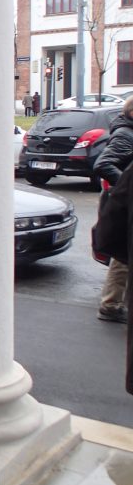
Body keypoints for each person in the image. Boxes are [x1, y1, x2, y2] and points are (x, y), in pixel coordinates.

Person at [94, 96, 133, 323]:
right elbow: (103, 164)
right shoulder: (126, 135)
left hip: (121, 203)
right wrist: (126, 188)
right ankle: (110, 305)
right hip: (122, 206)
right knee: (123, 256)